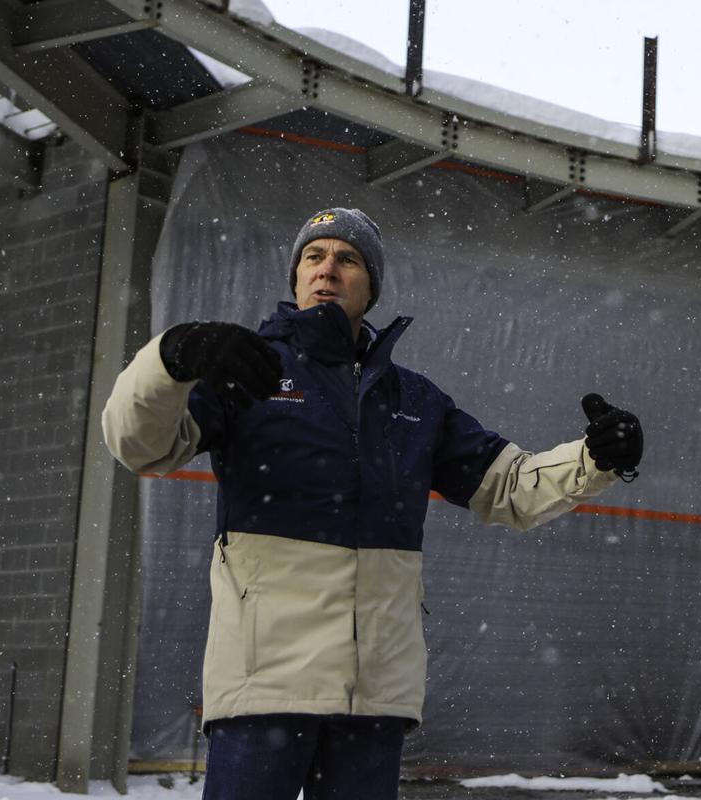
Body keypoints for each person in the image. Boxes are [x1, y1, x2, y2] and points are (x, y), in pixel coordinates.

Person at [101, 208, 643, 800]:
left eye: (346, 258)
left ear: (371, 285)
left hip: (375, 693)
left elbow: (510, 486)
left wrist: (595, 459)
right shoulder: (247, 370)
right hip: (265, 683)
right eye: (313, 256)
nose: (327, 268)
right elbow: (140, 446)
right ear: (296, 277)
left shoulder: (413, 399)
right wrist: (170, 359)